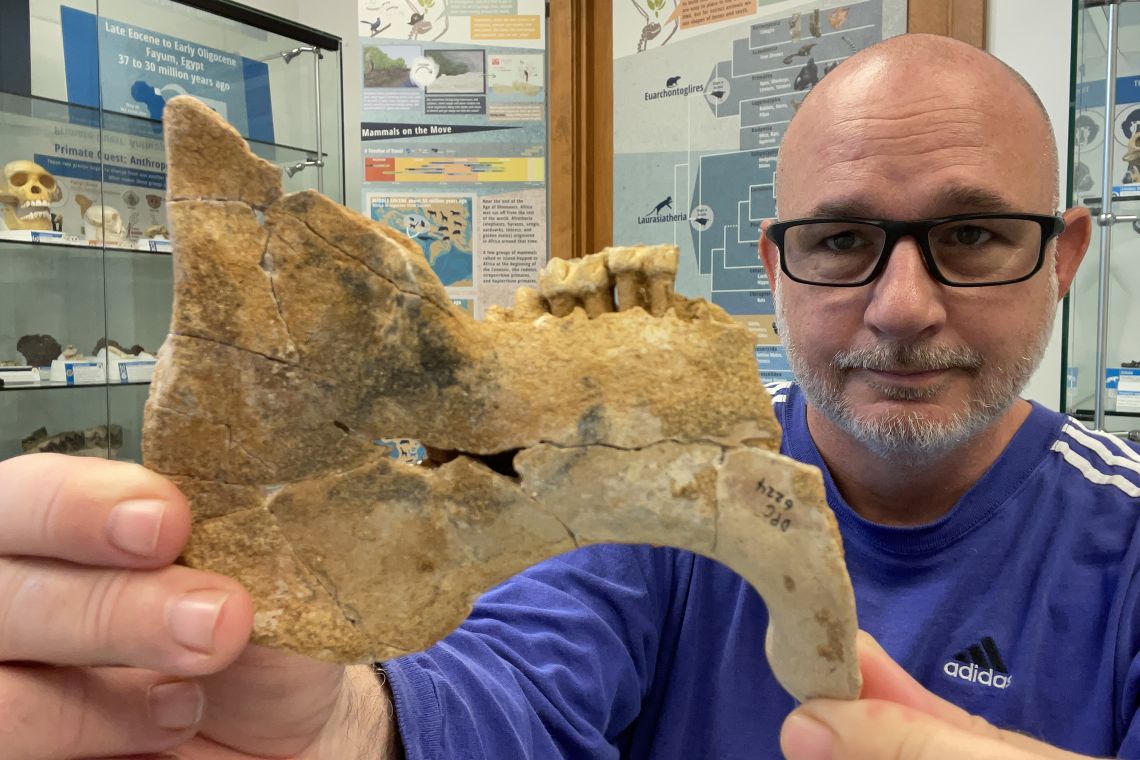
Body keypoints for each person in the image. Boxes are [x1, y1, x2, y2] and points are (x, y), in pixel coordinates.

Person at [0, 32, 1135, 760]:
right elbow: (512, 680)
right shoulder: (639, 485)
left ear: (1066, 252)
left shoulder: (1123, 545)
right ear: (776, 259)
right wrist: (339, 724)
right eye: (841, 240)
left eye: (974, 235)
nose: (900, 306)